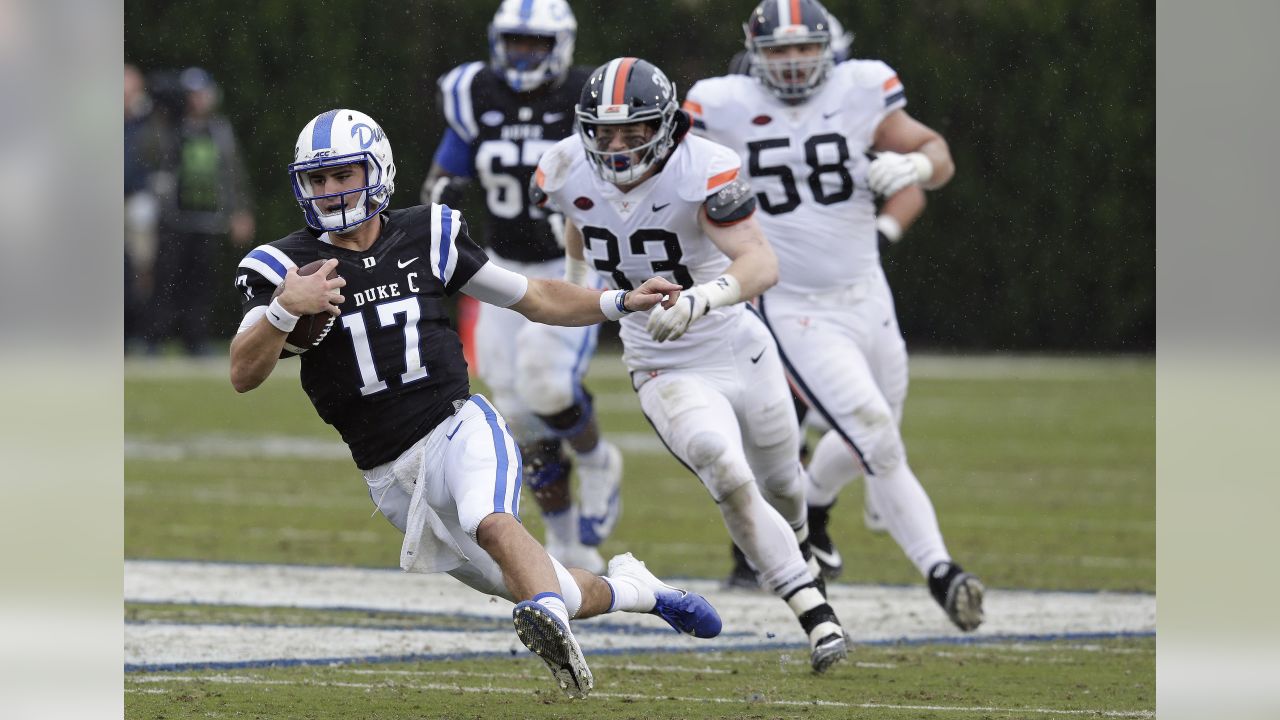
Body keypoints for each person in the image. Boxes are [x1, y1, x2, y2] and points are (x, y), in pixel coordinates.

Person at [229, 108, 721, 699]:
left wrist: (621, 300)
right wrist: (287, 308)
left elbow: (533, 296)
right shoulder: (283, 265)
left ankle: (551, 630)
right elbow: (242, 373)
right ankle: (639, 591)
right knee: (552, 588)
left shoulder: (427, 235)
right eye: (320, 180)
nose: (333, 192)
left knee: (489, 520)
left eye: (345, 175)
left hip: (457, 427)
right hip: (388, 475)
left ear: (378, 170)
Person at [532, 58, 848, 673]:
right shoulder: (565, 166)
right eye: (604, 132)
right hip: (659, 361)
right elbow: (580, 218)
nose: (616, 147)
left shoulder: (702, 169)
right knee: (723, 467)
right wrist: (576, 284)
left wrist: (702, 298)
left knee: (786, 486)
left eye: (632, 132)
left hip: (735, 343)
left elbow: (759, 263)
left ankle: (801, 551)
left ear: (667, 126)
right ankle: (815, 611)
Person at [684, 0, 985, 632]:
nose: (793, 63)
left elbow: (938, 151)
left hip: (867, 294)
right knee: (875, 434)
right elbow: (672, 170)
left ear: (828, 47)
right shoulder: (721, 102)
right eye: (779, 50)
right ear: (753, 51)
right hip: (794, 305)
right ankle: (942, 572)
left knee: (866, 443)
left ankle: (814, 511)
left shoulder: (862, 87)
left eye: (804, 48)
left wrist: (918, 165)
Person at [420, 0, 619, 574]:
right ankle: (566, 537)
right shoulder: (474, 92)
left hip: (567, 262)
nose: (523, 53)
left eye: (535, 42)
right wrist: (440, 195)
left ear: (560, 44)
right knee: (516, 409)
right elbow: (444, 172)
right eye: (515, 41)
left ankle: (599, 457)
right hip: (502, 266)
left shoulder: (586, 95)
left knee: (548, 386)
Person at [147, 67, 255, 356]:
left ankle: (196, 340)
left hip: (209, 221)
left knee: (201, 284)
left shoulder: (220, 130)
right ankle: (155, 339)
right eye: (190, 95)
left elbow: (234, 174)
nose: (197, 101)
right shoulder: (170, 126)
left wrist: (240, 211)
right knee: (166, 280)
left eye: (200, 94)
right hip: (175, 219)